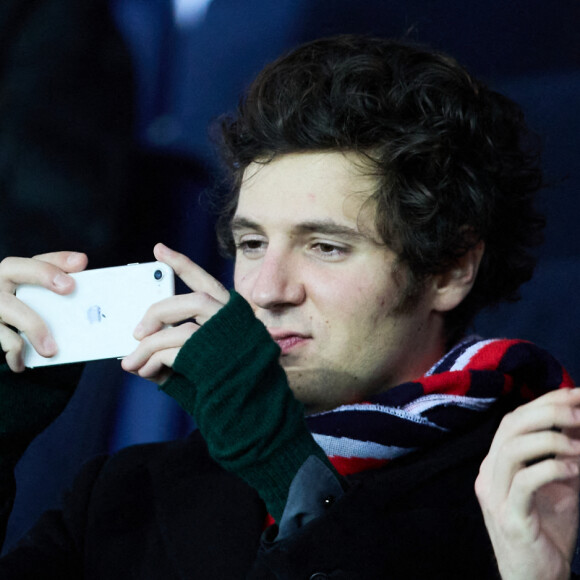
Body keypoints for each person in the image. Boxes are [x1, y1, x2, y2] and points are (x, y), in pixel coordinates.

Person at [0, 34, 578, 579]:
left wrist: (286, 471)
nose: (268, 289)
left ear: (451, 270)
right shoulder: (126, 491)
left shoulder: (546, 484)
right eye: (252, 244)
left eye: (326, 247)